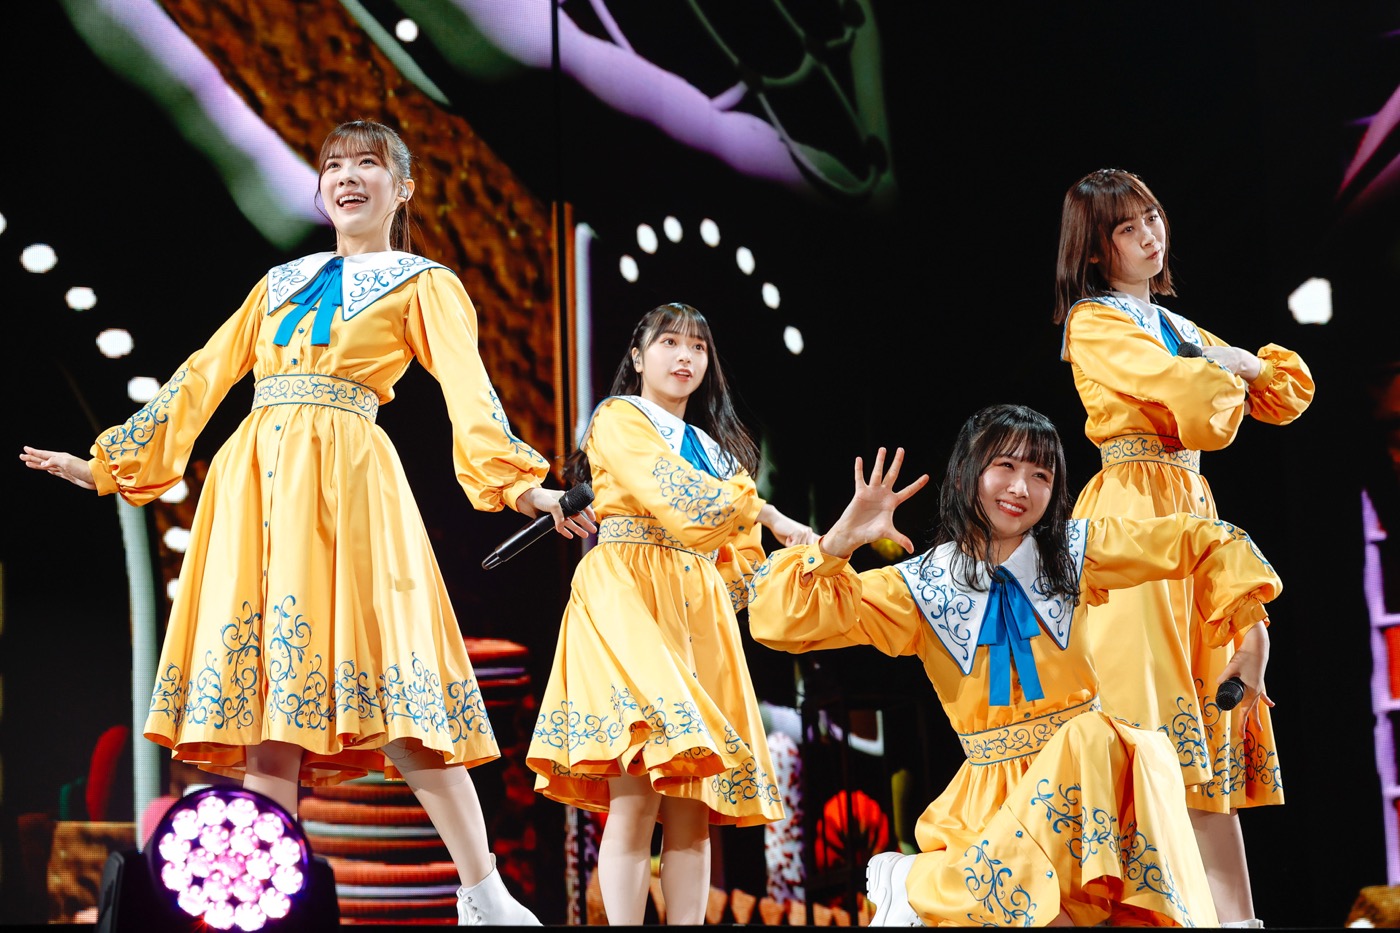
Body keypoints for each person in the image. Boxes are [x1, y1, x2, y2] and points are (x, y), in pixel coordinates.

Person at [20, 119, 596, 926]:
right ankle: (269, 905)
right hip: (254, 487)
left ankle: (484, 893)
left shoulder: (424, 283)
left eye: (368, 164)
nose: (347, 176)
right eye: (334, 165)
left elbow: (472, 397)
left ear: (404, 188)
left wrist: (527, 488)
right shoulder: (279, 281)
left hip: (348, 485)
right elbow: (203, 375)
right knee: (268, 707)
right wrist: (111, 464)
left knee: (402, 692)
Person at [747, 404, 1284, 927]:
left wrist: (1253, 636)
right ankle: (929, 882)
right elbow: (779, 621)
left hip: (1091, 792)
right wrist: (838, 541)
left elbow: (1203, 540)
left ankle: (932, 884)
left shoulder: (1077, 553)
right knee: (1094, 749)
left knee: (1106, 739)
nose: (1021, 488)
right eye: (1004, 466)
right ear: (967, 474)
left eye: (1040, 475)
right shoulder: (922, 589)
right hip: (991, 813)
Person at [1052, 168, 1314, 927]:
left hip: (1192, 510)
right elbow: (1193, 398)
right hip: (1133, 515)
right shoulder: (1094, 323)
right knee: (1148, 725)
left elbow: (1282, 395)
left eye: (1152, 218)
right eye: (1126, 227)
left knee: (1206, 731)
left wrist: (1241, 364)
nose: (1149, 236)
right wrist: (1227, 366)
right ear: (1095, 250)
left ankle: (1235, 921)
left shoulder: (1177, 325)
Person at [525, 301, 817, 925]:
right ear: (637, 356)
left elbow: (740, 562)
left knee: (691, 804)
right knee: (635, 793)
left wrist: (790, 543)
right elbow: (682, 501)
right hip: (628, 593)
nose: (685, 357)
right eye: (669, 343)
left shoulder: (716, 451)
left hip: (694, 609)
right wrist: (759, 507)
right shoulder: (619, 417)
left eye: (698, 348)